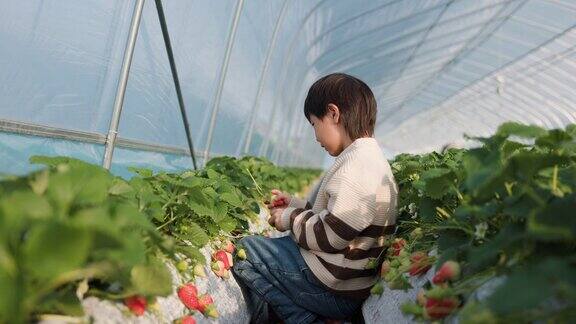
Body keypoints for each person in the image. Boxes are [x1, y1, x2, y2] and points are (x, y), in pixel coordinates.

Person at [232, 73, 398, 324]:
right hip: (347, 283)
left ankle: (305, 319)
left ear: (333, 114)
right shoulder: (369, 158)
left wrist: (289, 218)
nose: (315, 136)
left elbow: (331, 235)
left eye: (313, 124)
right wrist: (296, 205)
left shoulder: (357, 166)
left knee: (246, 250)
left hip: (332, 286)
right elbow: (340, 217)